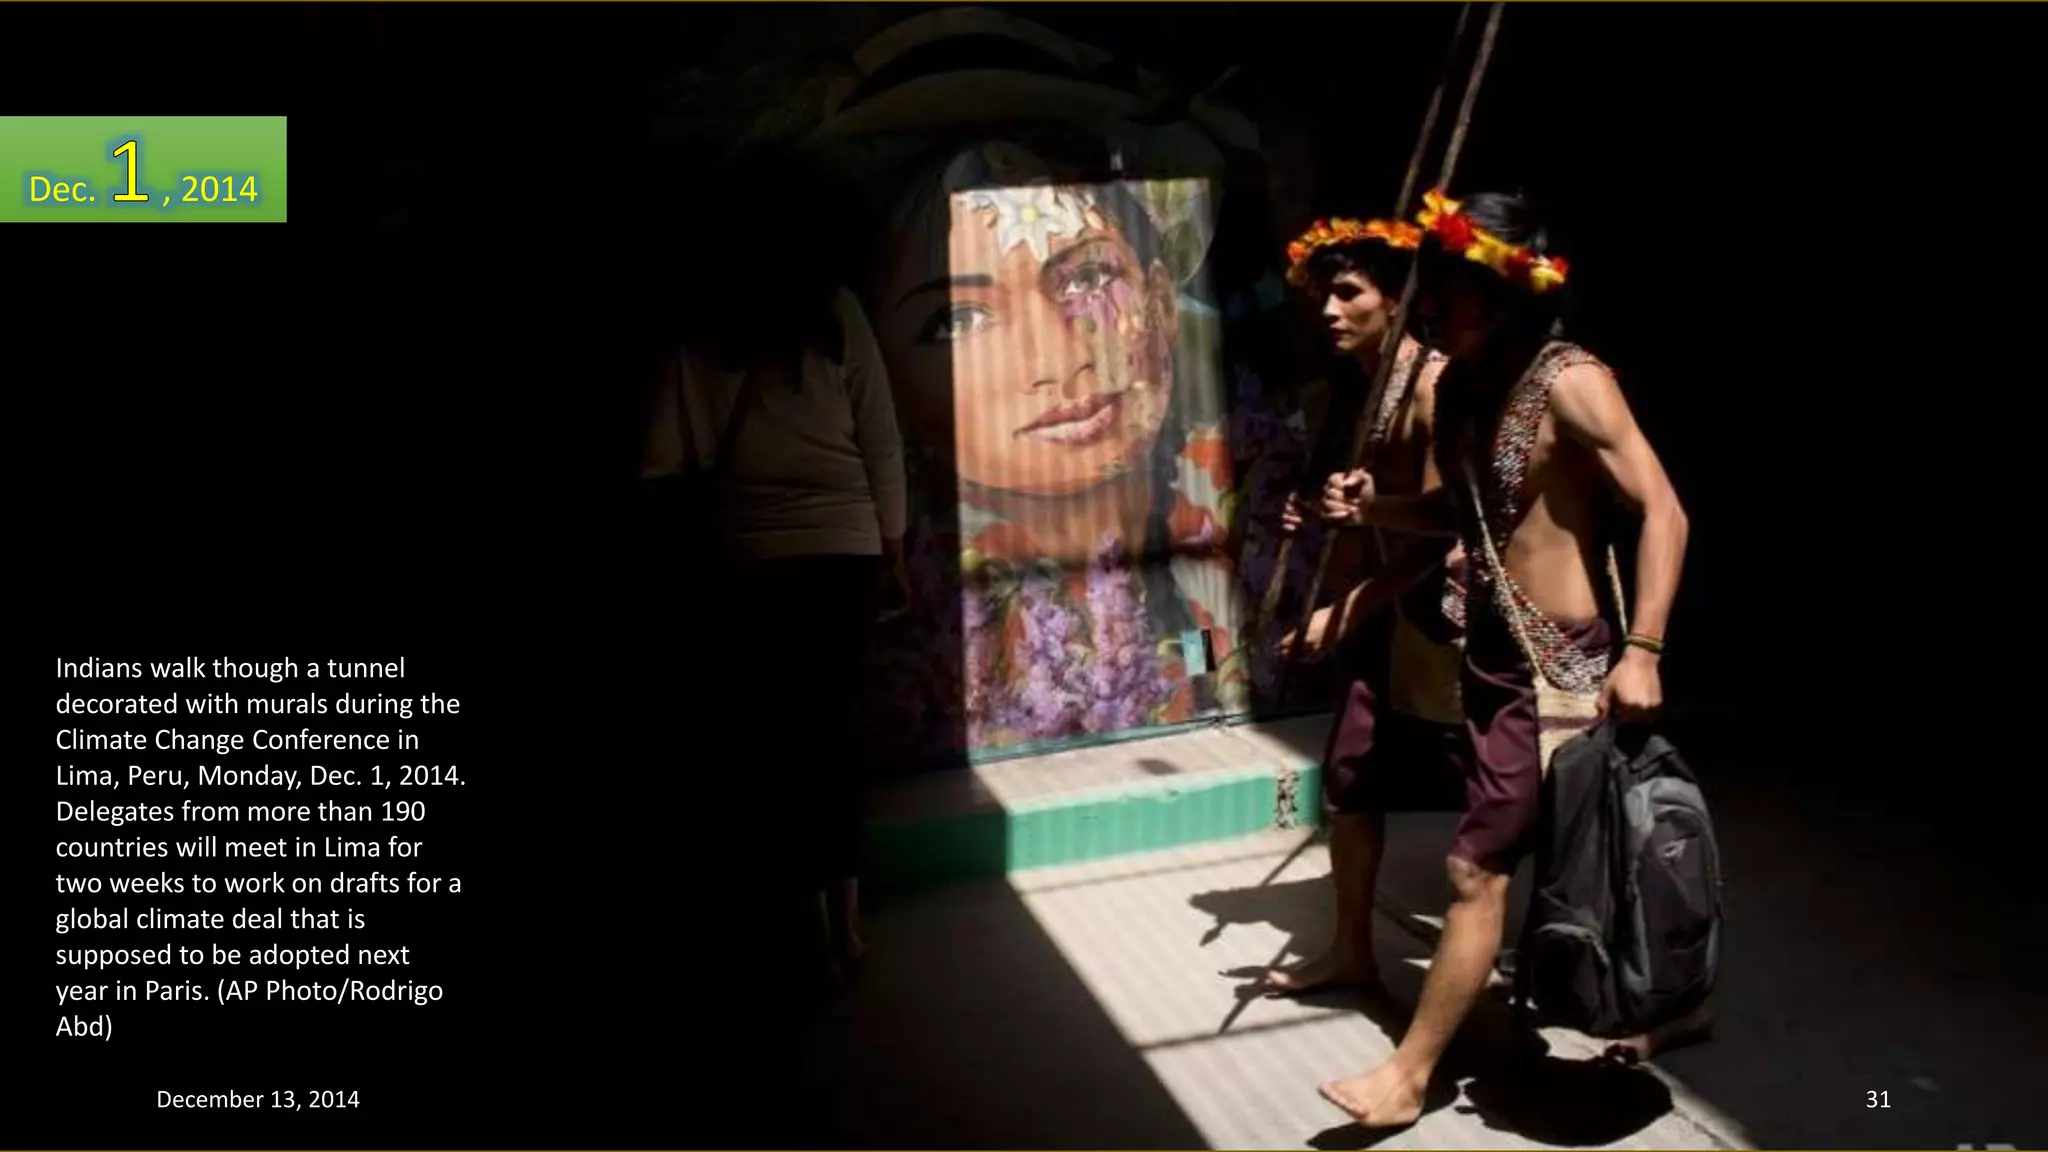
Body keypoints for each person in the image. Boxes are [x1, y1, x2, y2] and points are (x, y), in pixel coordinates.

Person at [1312, 189, 1699, 1127]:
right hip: (1489, 657)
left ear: (1506, 292)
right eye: (1435, 289)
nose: (1437, 308)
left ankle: (1410, 1076)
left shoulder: (1573, 381)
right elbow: (1460, 513)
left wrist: (1643, 650)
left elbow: (1664, 510)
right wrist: (1374, 511)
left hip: (1561, 666)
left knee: (1480, 869)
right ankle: (1669, 1003)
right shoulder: (1461, 388)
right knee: (1569, 861)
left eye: (1454, 290)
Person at [639, 152, 910, 980]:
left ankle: (792, 919)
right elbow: (881, 439)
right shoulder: (836, 310)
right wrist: (895, 547)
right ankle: (848, 929)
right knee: (834, 736)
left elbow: (665, 457)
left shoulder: (699, 325)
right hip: (845, 551)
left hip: (750, 556)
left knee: (768, 742)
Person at [1260, 215, 1472, 1000]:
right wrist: (1318, 511)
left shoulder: (1435, 388)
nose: (1328, 310)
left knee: (1509, 801)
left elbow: (1447, 529)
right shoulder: (1362, 389)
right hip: (1384, 621)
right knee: (1349, 780)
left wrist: (1345, 610)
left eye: (1348, 292)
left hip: (1447, 630)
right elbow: (1365, 506)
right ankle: (1351, 950)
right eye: (1322, 294)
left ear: (1398, 301)